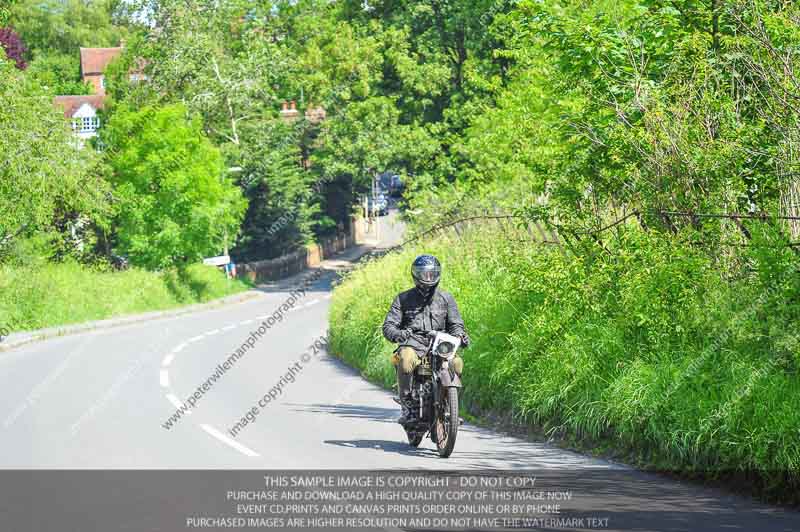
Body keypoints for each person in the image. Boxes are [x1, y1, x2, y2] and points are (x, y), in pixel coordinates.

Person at [382, 254, 471, 424]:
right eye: (424, 274)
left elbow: (456, 323)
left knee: (456, 363)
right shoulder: (403, 299)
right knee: (406, 359)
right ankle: (407, 404)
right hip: (413, 344)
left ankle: (450, 405)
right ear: (416, 275)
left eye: (432, 273)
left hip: (439, 345)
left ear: (437, 274)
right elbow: (388, 326)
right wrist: (398, 334)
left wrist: (459, 335)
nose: (428, 277)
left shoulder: (446, 298)